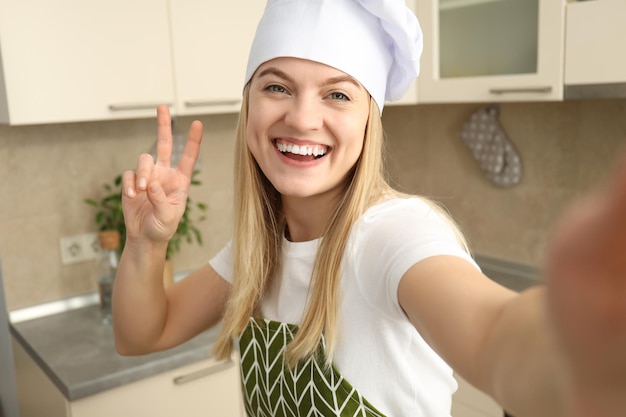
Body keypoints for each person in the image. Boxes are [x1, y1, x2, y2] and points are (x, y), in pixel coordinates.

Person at [112, 0, 626, 416]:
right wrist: (146, 242)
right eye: (276, 86)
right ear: (250, 106)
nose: (302, 117)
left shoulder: (393, 235)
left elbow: (495, 332)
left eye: (337, 95)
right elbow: (142, 334)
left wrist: (591, 339)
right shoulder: (259, 248)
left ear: (368, 121)